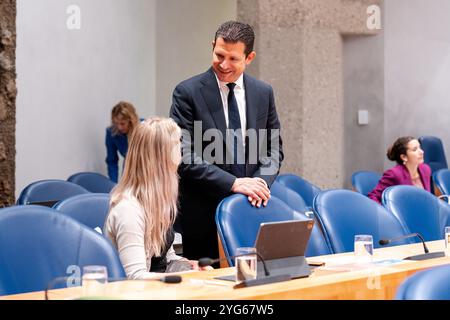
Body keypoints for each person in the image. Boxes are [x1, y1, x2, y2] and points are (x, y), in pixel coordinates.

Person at [170, 21, 283, 261]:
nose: (224, 65)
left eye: (233, 59)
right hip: (202, 217)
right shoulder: (186, 92)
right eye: (219, 55)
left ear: (249, 57)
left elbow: (274, 150)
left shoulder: (264, 92)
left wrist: (259, 183)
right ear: (212, 46)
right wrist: (234, 183)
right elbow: (183, 155)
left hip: (251, 211)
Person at [105, 117, 205, 279]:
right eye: (176, 145)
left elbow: (165, 258)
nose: (181, 152)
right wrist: (184, 277)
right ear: (160, 157)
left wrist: (187, 265)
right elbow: (135, 277)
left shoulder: (158, 201)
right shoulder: (128, 210)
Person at [368, 136, 431, 204]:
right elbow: (373, 196)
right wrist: (387, 212)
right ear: (404, 157)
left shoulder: (425, 169)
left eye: (420, 147)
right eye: (415, 149)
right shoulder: (394, 174)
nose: (421, 152)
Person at [105, 101, 139, 183]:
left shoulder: (143, 129)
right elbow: (112, 161)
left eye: (123, 123)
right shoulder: (111, 132)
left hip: (146, 168)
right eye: (116, 123)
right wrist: (113, 184)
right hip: (128, 168)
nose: (119, 127)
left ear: (131, 121)